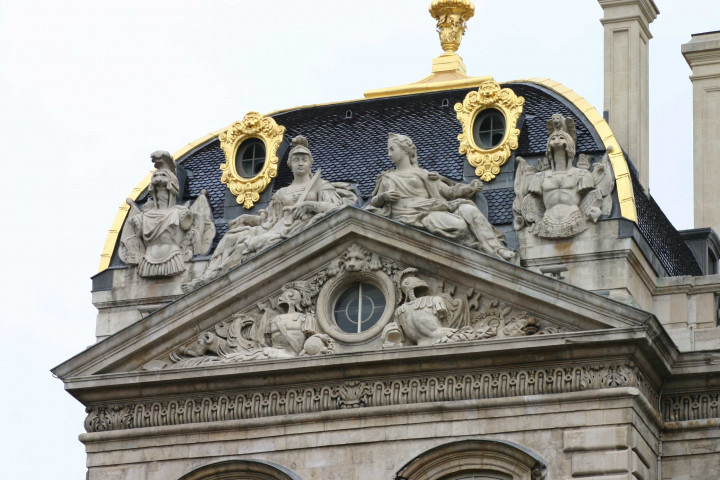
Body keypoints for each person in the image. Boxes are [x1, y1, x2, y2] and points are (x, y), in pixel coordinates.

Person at [189, 136, 356, 287]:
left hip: (295, 228)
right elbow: (267, 219)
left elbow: (338, 209)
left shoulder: (320, 185)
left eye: (304, 160)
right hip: (277, 226)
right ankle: (208, 275)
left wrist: (311, 205)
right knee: (231, 237)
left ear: (310, 163)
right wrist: (246, 218)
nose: (300, 163)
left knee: (245, 245)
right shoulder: (282, 193)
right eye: (296, 159)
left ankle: (216, 282)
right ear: (290, 164)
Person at [367, 133, 516, 261]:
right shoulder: (387, 177)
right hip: (413, 216)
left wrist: (469, 188)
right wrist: (383, 197)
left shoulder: (424, 174)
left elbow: (449, 192)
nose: (389, 154)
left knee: (470, 210)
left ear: (405, 150)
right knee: (460, 227)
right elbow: (372, 205)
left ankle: (497, 249)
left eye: (392, 149)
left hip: (433, 208)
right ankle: (480, 249)